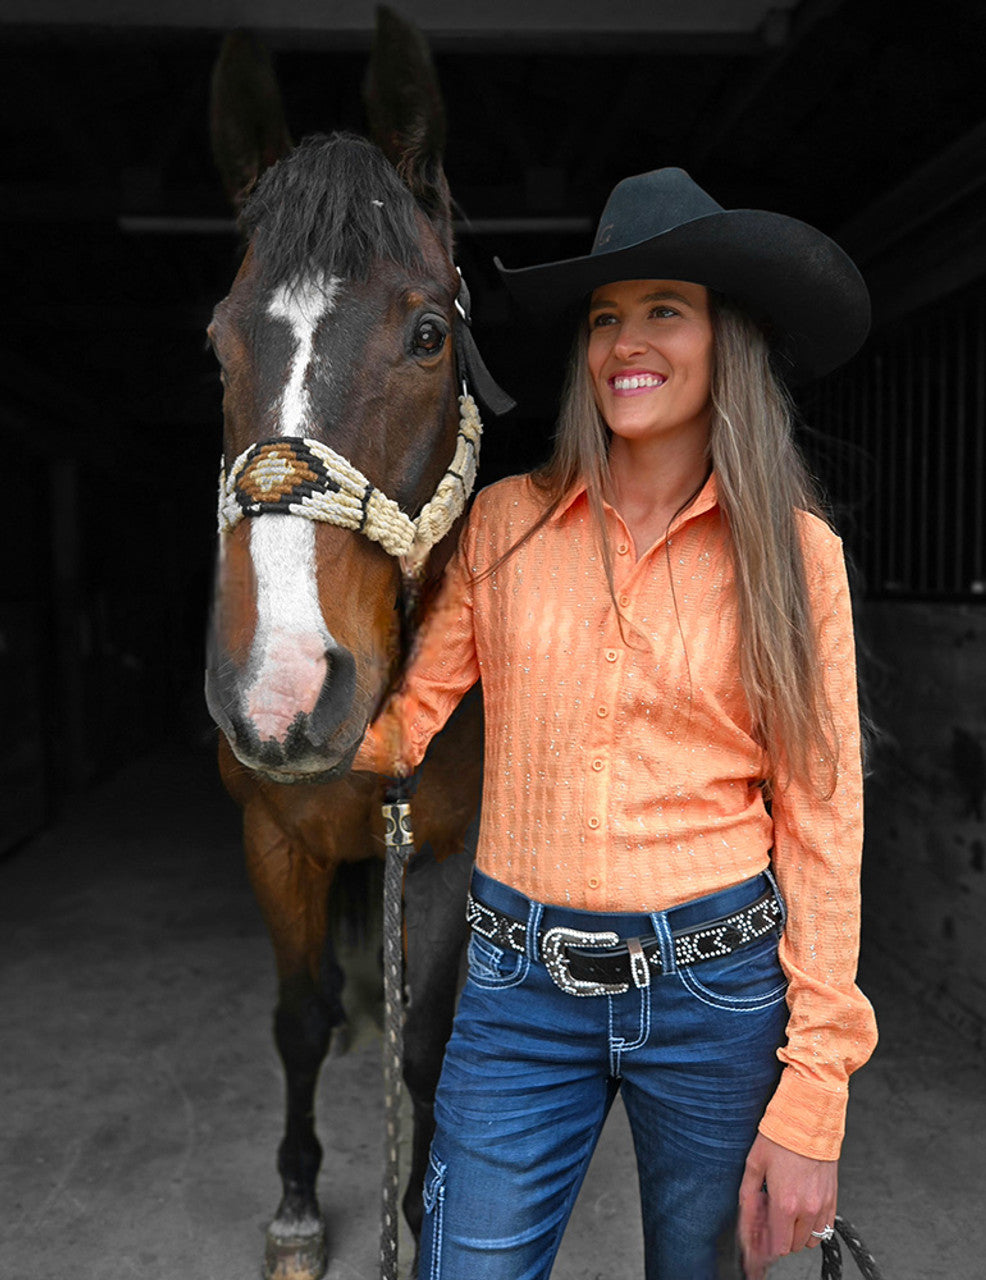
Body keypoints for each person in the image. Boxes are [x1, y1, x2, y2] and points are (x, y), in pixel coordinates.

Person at [354, 166, 878, 1280]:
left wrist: (814, 1096)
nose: (621, 344)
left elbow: (824, 823)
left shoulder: (794, 557)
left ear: (722, 336)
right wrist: (290, 673)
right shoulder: (504, 524)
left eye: (661, 311)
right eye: (603, 319)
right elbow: (402, 729)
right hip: (511, 991)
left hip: (717, 994)